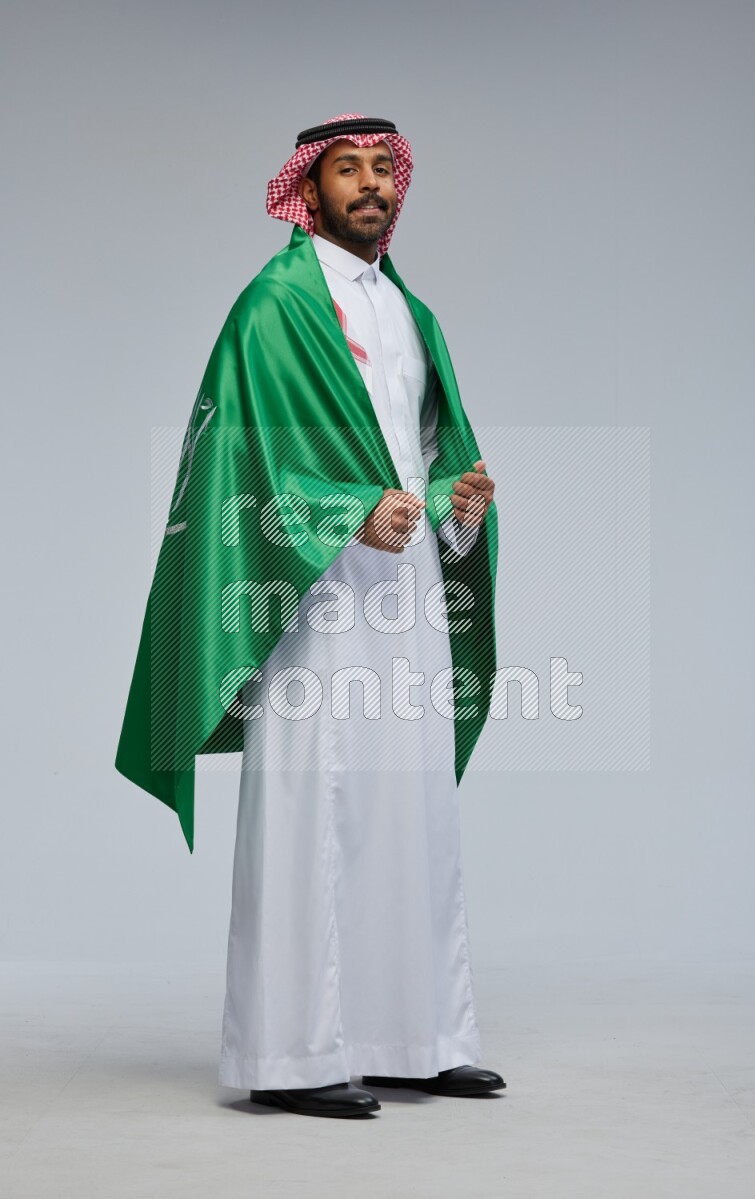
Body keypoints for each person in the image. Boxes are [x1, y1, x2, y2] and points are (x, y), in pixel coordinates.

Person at [115, 114, 502, 1119]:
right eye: (347, 169)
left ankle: (416, 1038)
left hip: (408, 596)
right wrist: (344, 510)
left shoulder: (411, 311)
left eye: (383, 168)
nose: (370, 185)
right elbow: (243, 461)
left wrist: (458, 506)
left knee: (408, 810)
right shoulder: (276, 305)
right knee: (311, 810)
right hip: (312, 598)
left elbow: (428, 453)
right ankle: (289, 1054)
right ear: (308, 189)